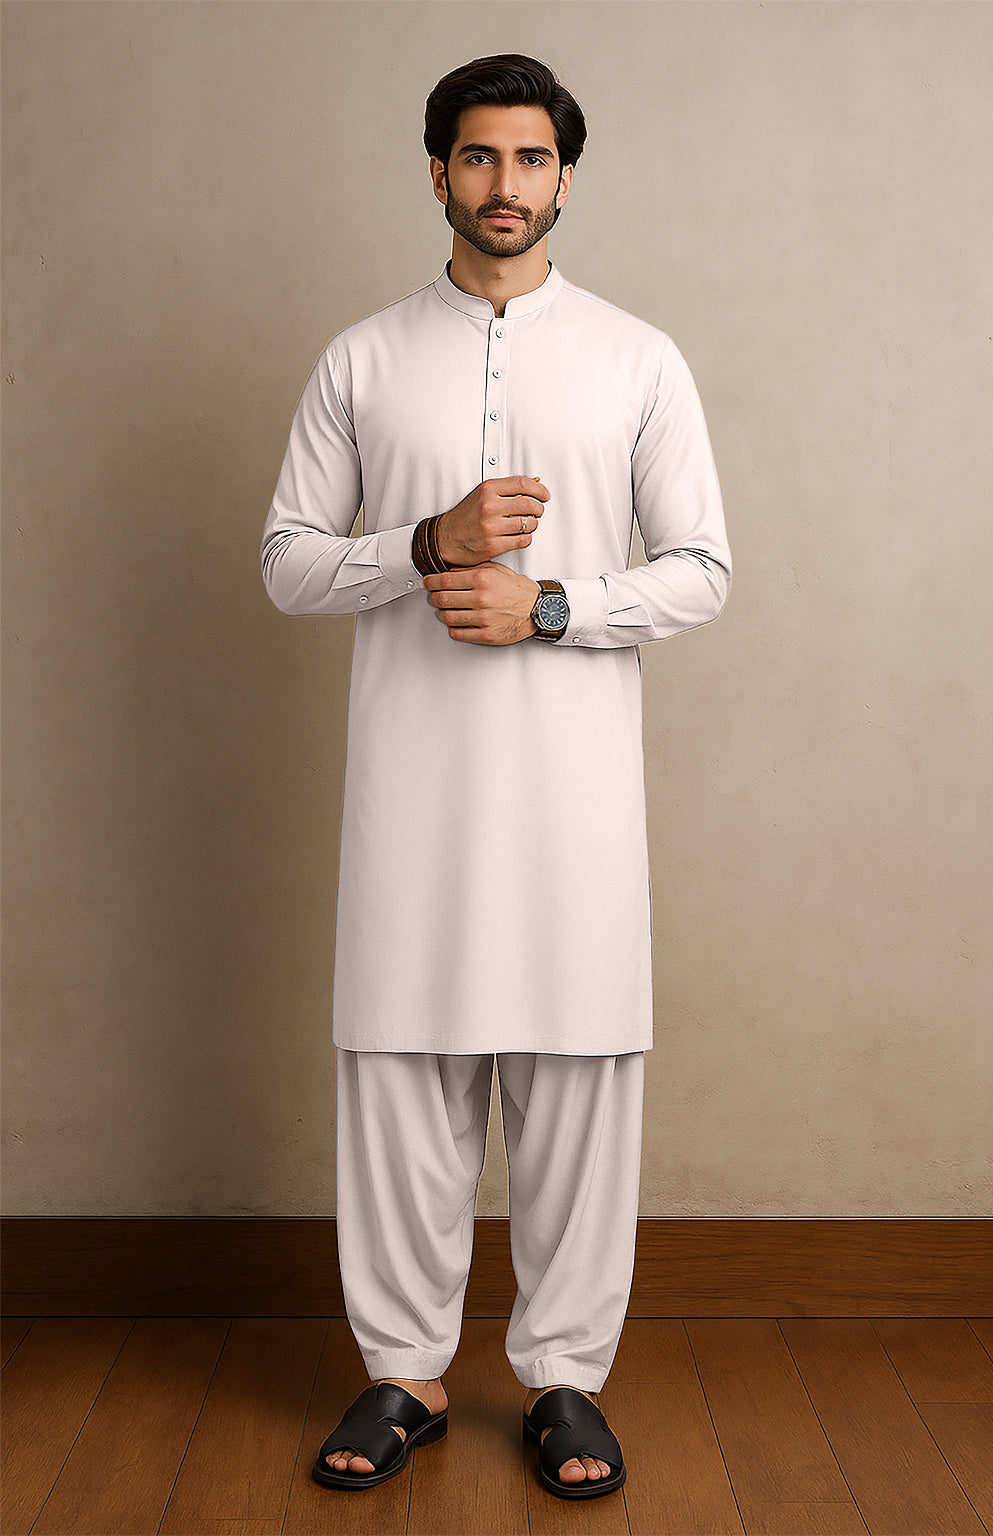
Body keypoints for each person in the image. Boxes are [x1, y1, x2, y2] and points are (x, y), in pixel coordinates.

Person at [260, 52, 732, 1502]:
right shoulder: (361, 358)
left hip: (573, 798)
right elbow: (285, 562)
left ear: (565, 177)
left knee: (580, 1072)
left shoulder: (639, 359)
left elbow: (702, 571)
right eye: (478, 156)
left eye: (531, 159)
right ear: (437, 172)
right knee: (402, 1071)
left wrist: (551, 606)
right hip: (413, 792)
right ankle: (404, 1372)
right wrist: (426, 543)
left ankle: (565, 1381)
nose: (505, 184)